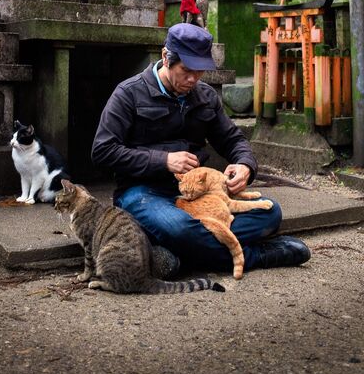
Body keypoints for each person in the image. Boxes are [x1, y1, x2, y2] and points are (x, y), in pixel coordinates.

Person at [91, 23, 310, 276]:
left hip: (198, 196)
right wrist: (163, 160)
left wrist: (245, 165)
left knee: (270, 212)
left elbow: (233, 140)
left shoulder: (205, 96)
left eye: (200, 71)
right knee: (180, 228)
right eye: (186, 70)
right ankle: (256, 255)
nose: (193, 79)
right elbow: (103, 151)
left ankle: (180, 255)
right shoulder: (128, 93)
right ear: (166, 57)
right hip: (142, 193)